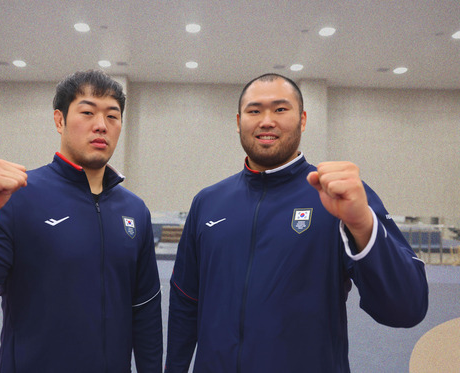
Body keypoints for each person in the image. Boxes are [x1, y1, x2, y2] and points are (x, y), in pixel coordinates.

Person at [165, 73, 428, 372]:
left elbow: (407, 308)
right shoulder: (208, 202)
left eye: (280, 109)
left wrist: (363, 224)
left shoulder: (339, 196)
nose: (266, 121)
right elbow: (186, 301)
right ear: (239, 121)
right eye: (254, 111)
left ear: (302, 120)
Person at [0, 70, 162, 372]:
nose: (101, 125)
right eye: (87, 112)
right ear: (59, 120)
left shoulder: (135, 210)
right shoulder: (19, 198)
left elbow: (144, 311)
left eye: (112, 117)